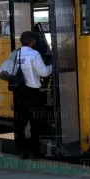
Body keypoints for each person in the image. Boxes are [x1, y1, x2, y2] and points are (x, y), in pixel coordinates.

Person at [14, 31, 52, 159]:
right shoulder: (34, 54)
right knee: (36, 124)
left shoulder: (16, 54)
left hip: (19, 93)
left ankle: (21, 151)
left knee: (21, 124)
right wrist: (52, 67)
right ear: (32, 42)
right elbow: (43, 72)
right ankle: (34, 152)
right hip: (33, 94)